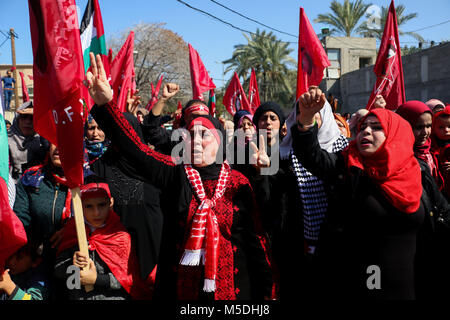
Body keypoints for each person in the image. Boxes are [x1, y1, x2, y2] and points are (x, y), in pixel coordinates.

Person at [85, 53, 273, 300]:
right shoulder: (176, 173)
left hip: (237, 290)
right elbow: (136, 150)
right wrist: (107, 106)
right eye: (190, 134)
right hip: (183, 290)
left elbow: (260, 235)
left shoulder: (239, 182)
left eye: (204, 134)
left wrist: (262, 175)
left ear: (219, 142)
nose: (195, 140)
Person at [291, 86, 425, 300]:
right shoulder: (348, 164)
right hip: (363, 282)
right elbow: (312, 156)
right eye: (363, 127)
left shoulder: (417, 170)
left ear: (395, 134)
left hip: (407, 284)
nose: (366, 132)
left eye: (376, 127)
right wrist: (306, 120)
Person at [54, 176, 152, 300]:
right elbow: (59, 272)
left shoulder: (121, 236)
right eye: (89, 206)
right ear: (79, 206)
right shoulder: (73, 231)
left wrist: (97, 279)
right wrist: (73, 266)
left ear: (110, 203)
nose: (96, 213)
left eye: (101, 205)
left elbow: (132, 281)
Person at [396, 100, 450, 299]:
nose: (426, 132)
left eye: (428, 126)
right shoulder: (399, 158)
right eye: (419, 127)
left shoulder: (431, 153)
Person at [8, 101, 48, 183]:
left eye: (33, 118)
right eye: (24, 117)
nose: (28, 122)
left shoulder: (43, 141)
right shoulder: (4, 140)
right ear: (17, 119)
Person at [431, 106, 450, 199]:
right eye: (441, 127)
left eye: (449, 126)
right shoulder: (430, 147)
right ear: (433, 129)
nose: (446, 130)